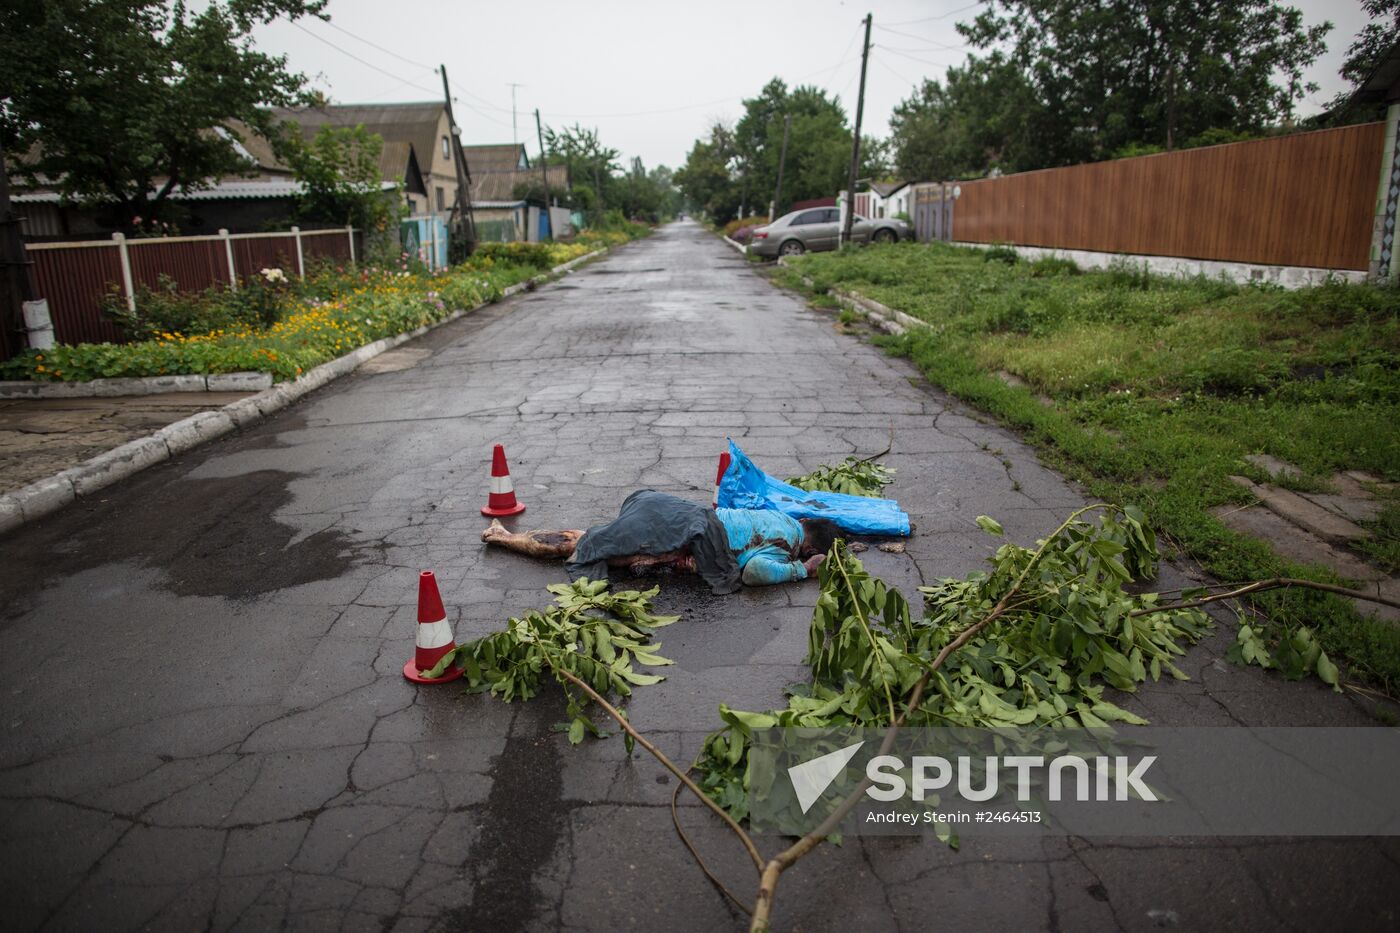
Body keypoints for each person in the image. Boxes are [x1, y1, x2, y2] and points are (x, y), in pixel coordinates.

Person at [480, 489, 841, 594]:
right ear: (809, 548)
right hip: (686, 532)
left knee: (590, 538)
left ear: (805, 521)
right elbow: (754, 572)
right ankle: (503, 537)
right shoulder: (786, 546)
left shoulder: (783, 519)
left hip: (670, 509)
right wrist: (800, 571)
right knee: (587, 545)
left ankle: (505, 535)